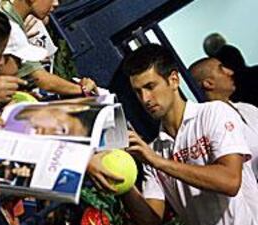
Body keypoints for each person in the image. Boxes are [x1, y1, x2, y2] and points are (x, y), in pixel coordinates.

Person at [88, 44, 258, 225]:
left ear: (174, 80)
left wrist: (158, 162)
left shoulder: (213, 113)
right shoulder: (154, 150)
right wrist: (122, 179)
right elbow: (150, 221)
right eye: (138, 91)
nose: (145, 99)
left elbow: (230, 181)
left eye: (150, 86)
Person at [0, 0, 98, 96]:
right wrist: (82, 91)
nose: (56, 3)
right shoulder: (6, 22)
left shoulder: (6, 15)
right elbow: (42, 80)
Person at [189, 57, 258, 180]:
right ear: (208, 83)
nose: (230, 72)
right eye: (221, 69)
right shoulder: (207, 126)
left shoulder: (247, 108)